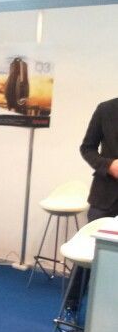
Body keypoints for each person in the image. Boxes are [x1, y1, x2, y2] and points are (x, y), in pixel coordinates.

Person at [64, 97, 118, 318]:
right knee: (89, 253)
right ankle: (71, 306)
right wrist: (108, 165)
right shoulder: (106, 109)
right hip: (105, 197)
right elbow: (87, 148)